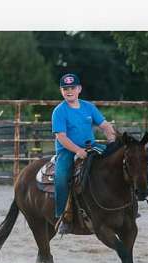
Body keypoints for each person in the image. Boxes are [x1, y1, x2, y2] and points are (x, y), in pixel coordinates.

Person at [51, 73, 116, 234]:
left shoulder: (89, 107)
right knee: (61, 177)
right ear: (61, 91)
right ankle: (62, 217)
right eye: (65, 88)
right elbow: (61, 137)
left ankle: (124, 207)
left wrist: (113, 141)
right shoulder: (59, 111)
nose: (69, 91)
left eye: (72, 88)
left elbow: (105, 125)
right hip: (67, 151)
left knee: (115, 163)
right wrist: (77, 151)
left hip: (90, 146)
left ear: (79, 89)